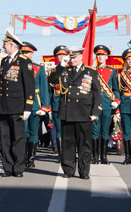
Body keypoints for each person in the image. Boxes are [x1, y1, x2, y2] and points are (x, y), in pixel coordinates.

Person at [48, 46, 101, 179]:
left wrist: (96, 111)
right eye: (70, 58)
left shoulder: (90, 71)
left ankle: (84, 171)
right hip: (67, 111)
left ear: (81, 57)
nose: (72, 60)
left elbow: (97, 93)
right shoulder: (64, 70)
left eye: (74, 57)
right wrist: (61, 64)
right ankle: (68, 170)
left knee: (84, 143)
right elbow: (52, 79)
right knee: (68, 143)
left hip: (84, 111)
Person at [0, 31, 35, 178]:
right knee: (5, 138)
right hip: (4, 106)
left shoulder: (24, 61)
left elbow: (29, 86)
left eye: (5, 44)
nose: (3, 46)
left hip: (18, 106)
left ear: (12, 45)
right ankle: (7, 167)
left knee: (18, 138)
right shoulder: (4, 61)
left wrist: (28, 107)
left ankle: (18, 167)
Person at [21, 42, 50, 168]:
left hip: (35, 104)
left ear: (32, 54)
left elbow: (44, 88)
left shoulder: (39, 68)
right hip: (21, 103)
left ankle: (31, 158)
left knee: (33, 131)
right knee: (23, 131)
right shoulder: (17, 66)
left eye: (27, 53)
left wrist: (45, 106)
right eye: (23, 53)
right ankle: (22, 157)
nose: (25, 55)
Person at [92, 45, 120, 164]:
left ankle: (103, 157)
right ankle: (94, 156)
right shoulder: (91, 70)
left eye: (102, 55)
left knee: (104, 131)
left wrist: (116, 101)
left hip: (108, 105)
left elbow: (116, 89)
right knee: (94, 131)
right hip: (94, 105)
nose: (100, 57)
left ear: (106, 57)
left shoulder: (112, 71)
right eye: (98, 55)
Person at [48, 45, 68, 162]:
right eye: (59, 55)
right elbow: (50, 91)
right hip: (57, 103)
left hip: (70, 104)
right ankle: (61, 153)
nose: (61, 57)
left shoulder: (70, 70)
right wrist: (48, 106)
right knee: (59, 129)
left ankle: (68, 152)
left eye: (63, 55)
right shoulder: (52, 72)